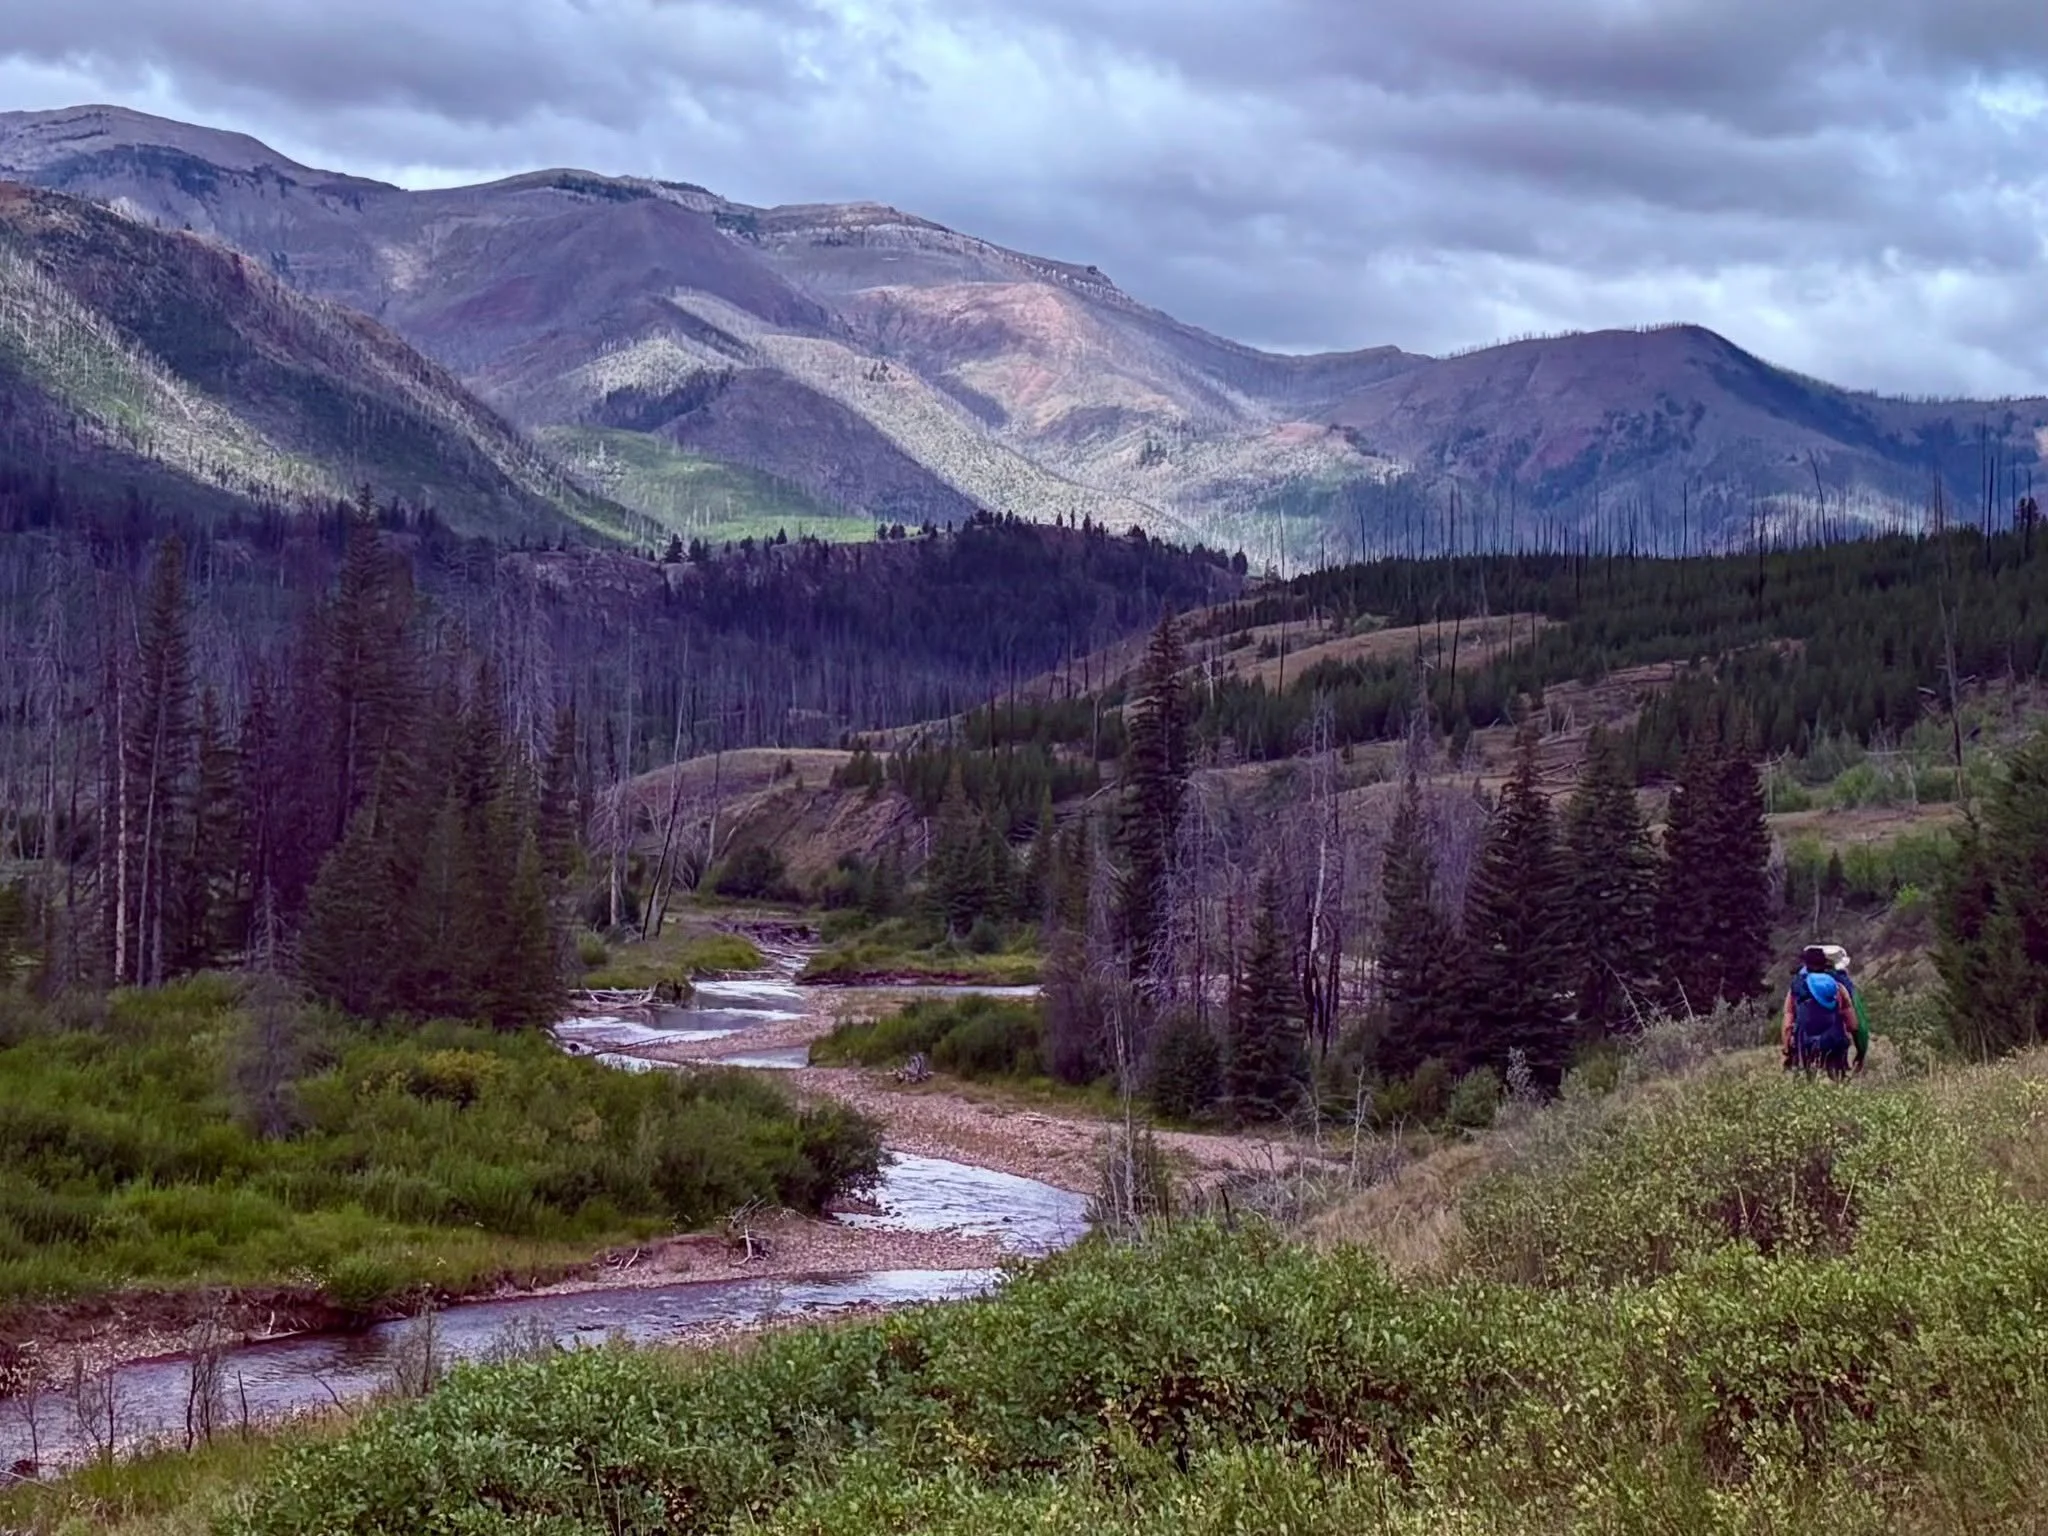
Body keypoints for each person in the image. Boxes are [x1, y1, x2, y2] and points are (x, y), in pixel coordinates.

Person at [1781, 943, 1866, 1079]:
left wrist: (1787, 1049)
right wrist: (1859, 1049)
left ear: (1806, 965)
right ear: (1825, 964)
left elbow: (1787, 1024)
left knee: (1807, 1084)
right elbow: (1853, 1025)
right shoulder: (1838, 988)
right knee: (1836, 1082)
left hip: (1805, 1045)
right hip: (1834, 1042)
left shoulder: (1796, 989)